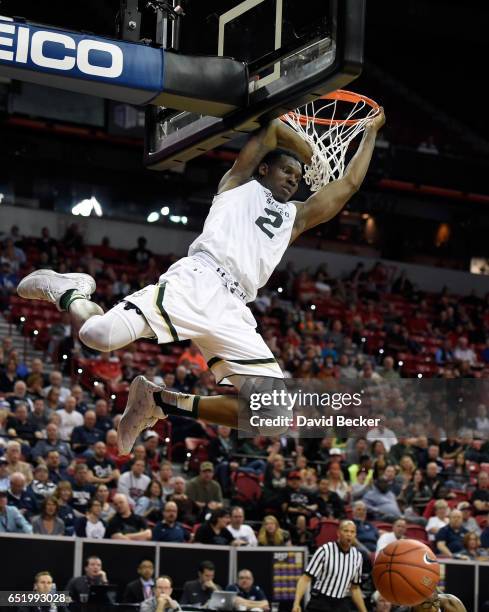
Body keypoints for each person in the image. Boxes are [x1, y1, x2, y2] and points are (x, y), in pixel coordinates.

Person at [17, 111, 385, 449]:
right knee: (97, 336)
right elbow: (271, 129)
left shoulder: (296, 217)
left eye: (298, 176)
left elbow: (349, 184)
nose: (294, 178)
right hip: (200, 278)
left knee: (274, 415)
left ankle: (160, 401)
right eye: (287, 170)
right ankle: (69, 291)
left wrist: (370, 132)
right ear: (263, 170)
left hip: (234, 307)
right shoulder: (237, 184)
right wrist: (309, 151)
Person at [292, 520, 366, 612]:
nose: (349, 534)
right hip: (321, 601)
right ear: (338, 533)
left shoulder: (357, 556)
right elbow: (305, 578)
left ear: (355, 535)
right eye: (346, 531)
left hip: (341, 602)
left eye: (352, 532)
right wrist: (296, 603)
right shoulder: (325, 550)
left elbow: (355, 588)